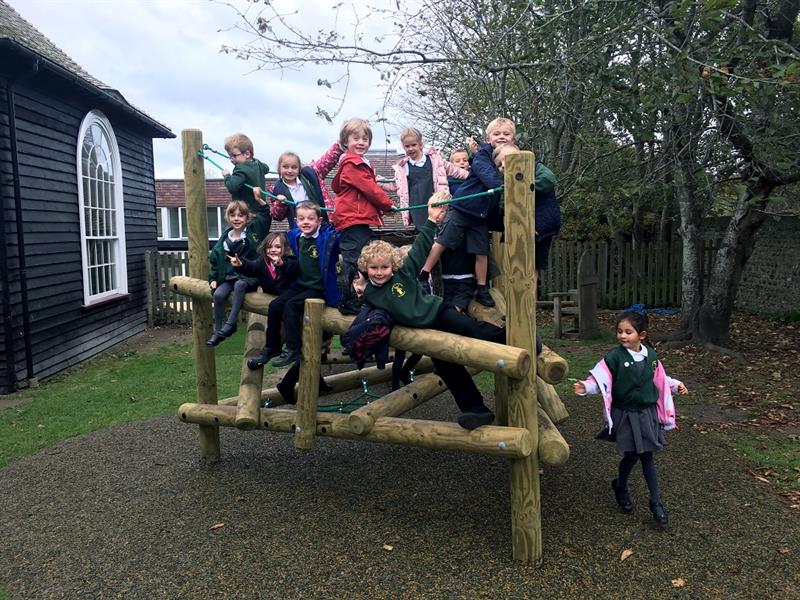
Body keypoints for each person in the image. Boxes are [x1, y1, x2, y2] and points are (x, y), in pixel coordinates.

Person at [352, 191, 506, 430]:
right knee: (449, 369)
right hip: (425, 334)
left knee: (473, 330)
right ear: (366, 268)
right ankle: (476, 409)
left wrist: (433, 219)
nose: (379, 272)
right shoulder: (370, 293)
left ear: (393, 267)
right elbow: (369, 312)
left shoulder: (403, 273)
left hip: (438, 313)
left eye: (384, 267)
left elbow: (421, 246)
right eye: (374, 268)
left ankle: (512, 340)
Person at [573, 311, 688, 526]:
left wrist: (675, 385)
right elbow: (601, 379)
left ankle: (652, 501)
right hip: (625, 414)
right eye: (619, 332)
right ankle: (625, 488)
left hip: (647, 414)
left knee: (645, 456)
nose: (622, 336)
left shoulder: (651, 357)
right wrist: (586, 387)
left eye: (628, 332)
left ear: (641, 335)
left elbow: (660, 379)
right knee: (634, 454)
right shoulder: (615, 357)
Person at [418, 117, 517, 308]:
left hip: (481, 215)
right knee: (443, 241)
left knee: (481, 251)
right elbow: (486, 173)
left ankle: (481, 288)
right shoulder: (482, 155)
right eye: (497, 134)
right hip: (464, 207)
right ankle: (424, 273)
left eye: (506, 133)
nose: (502, 137)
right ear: (488, 138)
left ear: (513, 137)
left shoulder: (514, 156)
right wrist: (503, 186)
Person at [331, 118, 395, 315]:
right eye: (355, 138)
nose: (361, 142)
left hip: (356, 218)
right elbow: (369, 189)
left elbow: (337, 186)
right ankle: (348, 300)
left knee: (362, 256)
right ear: (345, 142)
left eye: (365, 139)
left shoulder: (357, 163)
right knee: (352, 260)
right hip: (353, 218)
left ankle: (360, 296)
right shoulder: (353, 163)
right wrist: (387, 204)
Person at [270, 201, 341, 367]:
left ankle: (293, 348)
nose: (306, 222)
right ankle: (272, 347)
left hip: (319, 288)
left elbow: (341, 235)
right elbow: (273, 241)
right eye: (301, 219)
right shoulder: (295, 236)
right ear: (296, 221)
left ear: (319, 221)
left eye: (310, 218)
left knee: (292, 306)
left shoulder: (327, 238)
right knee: (275, 305)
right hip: (301, 284)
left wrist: (338, 217)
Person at [229, 232, 299, 369]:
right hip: (275, 300)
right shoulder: (263, 262)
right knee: (274, 313)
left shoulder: (290, 261)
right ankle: (271, 348)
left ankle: (282, 349)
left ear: (285, 249)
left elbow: (293, 270)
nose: (273, 250)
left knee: (279, 311)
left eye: (277, 247)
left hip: (290, 296)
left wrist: (281, 264)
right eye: (269, 247)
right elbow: (252, 267)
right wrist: (240, 264)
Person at [382, 128, 469, 229]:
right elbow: (396, 185)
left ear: (420, 145)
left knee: (440, 232)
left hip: (436, 203)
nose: (410, 149)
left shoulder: (435, 160)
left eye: (413, 145)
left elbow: (454, 170)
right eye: (407, 146)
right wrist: (379, 182)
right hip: (417, 207)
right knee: (424, 234)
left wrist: (470, 176)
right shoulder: (403, 167)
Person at [206, 201, 260, 347]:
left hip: (248, 276)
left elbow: (265, 217)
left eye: (241, 215)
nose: (237, 218)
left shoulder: (252, 234)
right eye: (233, 215)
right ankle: (218, 330)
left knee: (239, 284)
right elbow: (215, 261)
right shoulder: (225, 239)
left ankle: (231, 323)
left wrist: (258, 200)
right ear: (228, 217)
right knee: (218, 295)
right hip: (229, 277)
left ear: (247, 218)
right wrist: (213, 278)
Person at [269, 141, 344, 228]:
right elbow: (276, 216)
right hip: (301, 229)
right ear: (279, 168)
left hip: (323, 224)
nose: (290, 171)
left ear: (299, 168)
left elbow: (327, 160)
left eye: (294, 167)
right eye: (285, 167)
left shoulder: (310, 175)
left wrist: (340, 144)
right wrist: (280, 204)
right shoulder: (276, 189)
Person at [222, 132, 272, 244]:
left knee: (246, 241)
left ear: (247, 154)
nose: (231, 159)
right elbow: (266, 168)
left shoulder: (240, 169)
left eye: (234, 156)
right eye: (230, 156)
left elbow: (232, 187)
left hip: (246, 213)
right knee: (259, 239)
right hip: (260, 211)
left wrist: (227, 176)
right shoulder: (257, 163)